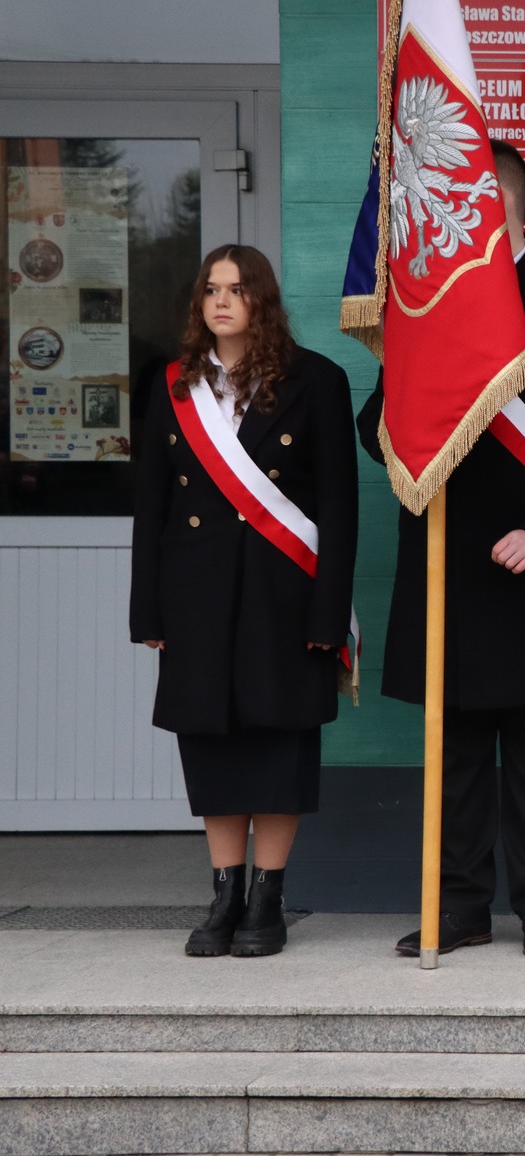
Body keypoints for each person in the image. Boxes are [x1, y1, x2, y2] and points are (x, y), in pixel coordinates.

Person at [358, 141, 525, 959]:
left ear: (510, 200)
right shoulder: (424, 301)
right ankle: (459, 905)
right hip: (445, 549)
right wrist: (410, 388)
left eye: (474, 199)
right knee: (455, 742)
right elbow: (375, 430)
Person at [130, 244, 358, 957]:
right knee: (212, 746)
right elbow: (152, 504)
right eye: (211, 289)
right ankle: (224, 894)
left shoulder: (317, 380)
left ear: (262, 299)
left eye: (236, 288)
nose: (221, 301)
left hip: (283, 597)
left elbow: (340, 509)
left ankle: (268, 897)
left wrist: (329, 612)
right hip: (195, 597)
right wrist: (148, 611)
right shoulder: (171, 384)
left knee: (279, 746)